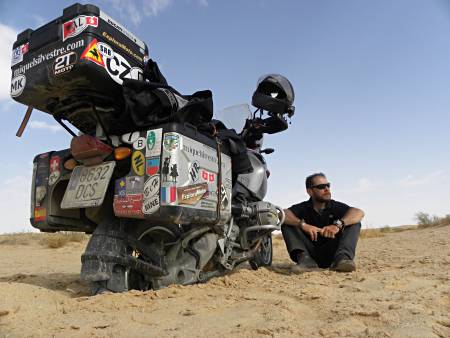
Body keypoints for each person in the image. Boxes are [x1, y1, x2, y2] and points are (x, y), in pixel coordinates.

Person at [281, 173, 364, 272]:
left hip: (335, 255)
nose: (326, 189)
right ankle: (306, 261)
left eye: (328, 185)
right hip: (310, 256)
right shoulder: (303, 208)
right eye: (321, 187)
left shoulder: (336, 206)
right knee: (286, 222)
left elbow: (359, 212)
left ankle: (343, 259)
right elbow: (282, 214)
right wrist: (303, 225)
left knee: (353, 222)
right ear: (310, 191)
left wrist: (338, 225)